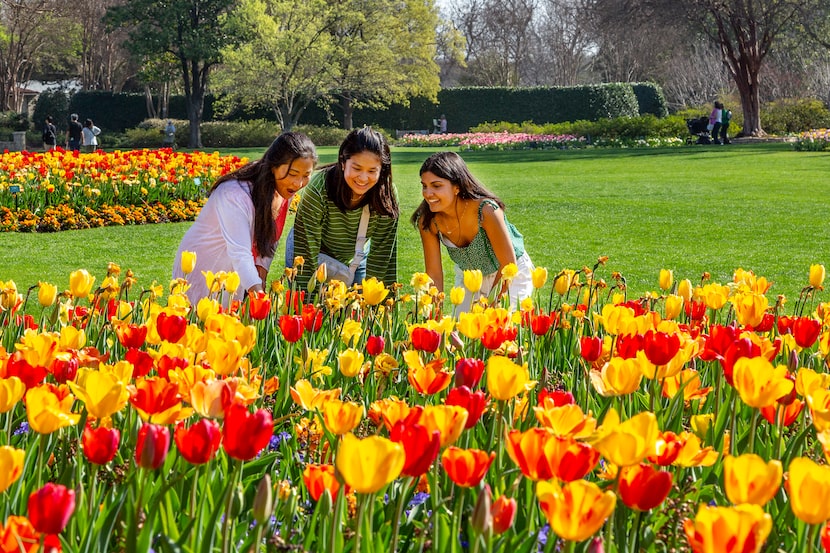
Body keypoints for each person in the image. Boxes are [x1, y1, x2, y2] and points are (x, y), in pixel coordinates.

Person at [172, 132, 317, 305]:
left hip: (237, 271)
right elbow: (240, 252)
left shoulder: (284, 189)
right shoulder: (233, 194)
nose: (298, 183)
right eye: (293, 173)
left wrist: (261, 276)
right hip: (206, 266)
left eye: (306, 175)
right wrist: (260, 299)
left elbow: (271, 237)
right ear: (274, 166)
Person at [412, 151, 534, 312]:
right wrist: (435, 315)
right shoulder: (428, 221)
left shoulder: (487, 211)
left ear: (457, 187)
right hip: (470, 278)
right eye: (424, 186)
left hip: (510, 275)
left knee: (497, 328)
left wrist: (491, 305)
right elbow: (434, 274)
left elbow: (508, 265)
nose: (427, 193)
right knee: (461, 332)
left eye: (436, 186)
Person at [288, 126, 399, 290]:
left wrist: (380, 309)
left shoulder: (386, 196)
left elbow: (382, 259)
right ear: (342, 162)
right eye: (357, 168)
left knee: (353, 310)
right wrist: (305, 305)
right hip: (312, 253)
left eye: (372, 171)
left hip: (355, 257)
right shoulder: (319, 189)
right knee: (312, 306)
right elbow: (306, 250)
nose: (363, 178)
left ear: (382, 169)